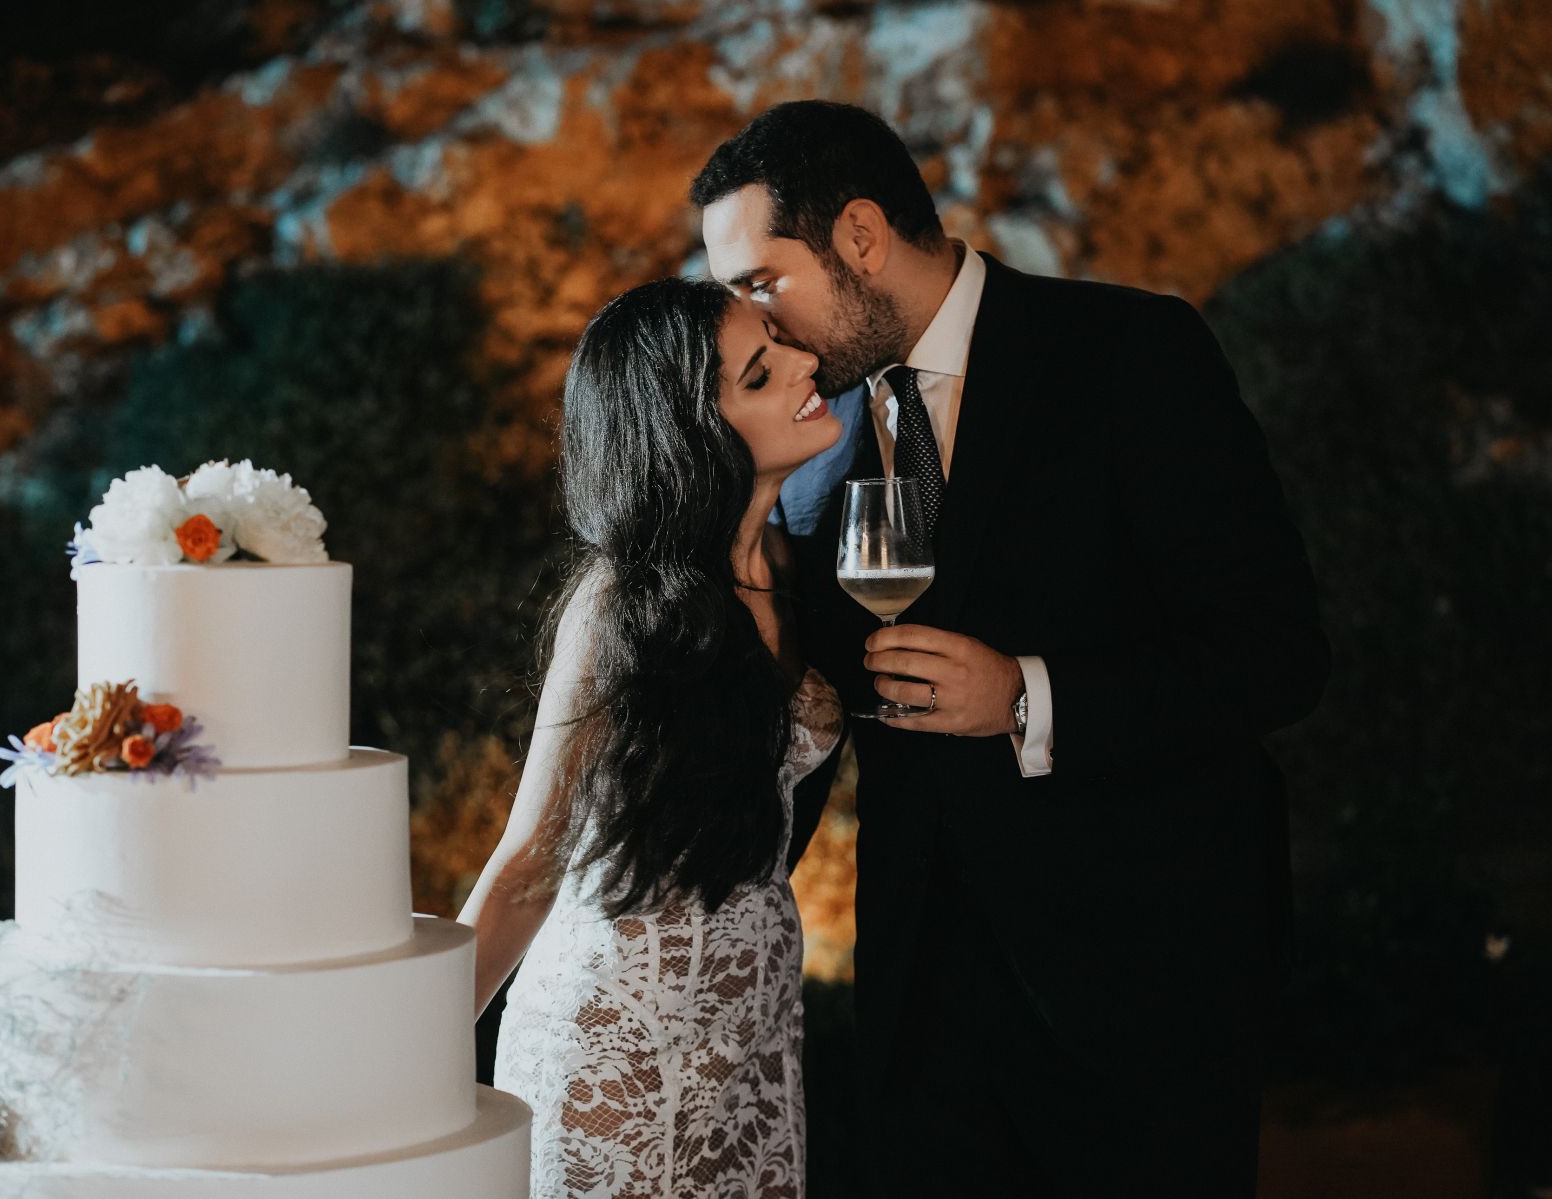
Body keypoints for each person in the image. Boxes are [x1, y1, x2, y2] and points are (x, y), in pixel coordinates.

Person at [691, 101, 1332, 1196]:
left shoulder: (1130, 352)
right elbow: (812, 718)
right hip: (921, 1002)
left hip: (1143, 982)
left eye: (761, 283)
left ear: (858, 235)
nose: (761, 325)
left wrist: (1029, 696)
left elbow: (1278, 652)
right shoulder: (806, 439)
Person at [459, 276, 846, 1198]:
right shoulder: (620, 605)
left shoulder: (796, 563)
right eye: (761, 373)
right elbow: (529, 861)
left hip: (751, 1035)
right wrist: (403, 1065)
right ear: (694, 438)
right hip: (619, 1029)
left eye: (780, 343)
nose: (803, 363)